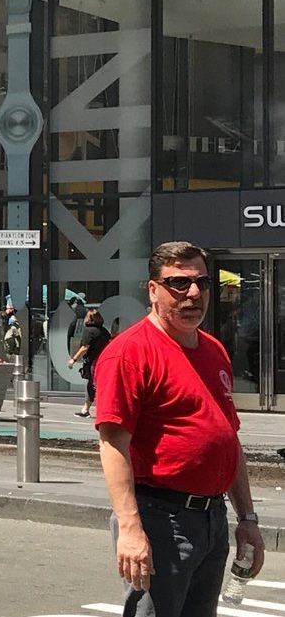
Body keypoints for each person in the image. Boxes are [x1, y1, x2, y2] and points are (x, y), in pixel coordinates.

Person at [94, 241, 263, 616]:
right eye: (178, 283)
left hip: (212, 519)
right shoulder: (130, 352)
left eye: (202, 283)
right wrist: (131, 528)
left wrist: (247, 520)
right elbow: (112, 443)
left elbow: (227, 439)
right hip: (160, 519)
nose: (193, 293)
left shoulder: (214, 349)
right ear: (153, 289)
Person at [69, 307, 111, 418]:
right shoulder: (105, 331)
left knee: (93, 385)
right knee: (95, 384)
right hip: (104, 361)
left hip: (94, 361)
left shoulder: (89, 331)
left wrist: (73, 359)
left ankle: (90, 410)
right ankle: (87, 409)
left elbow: (84, 347)